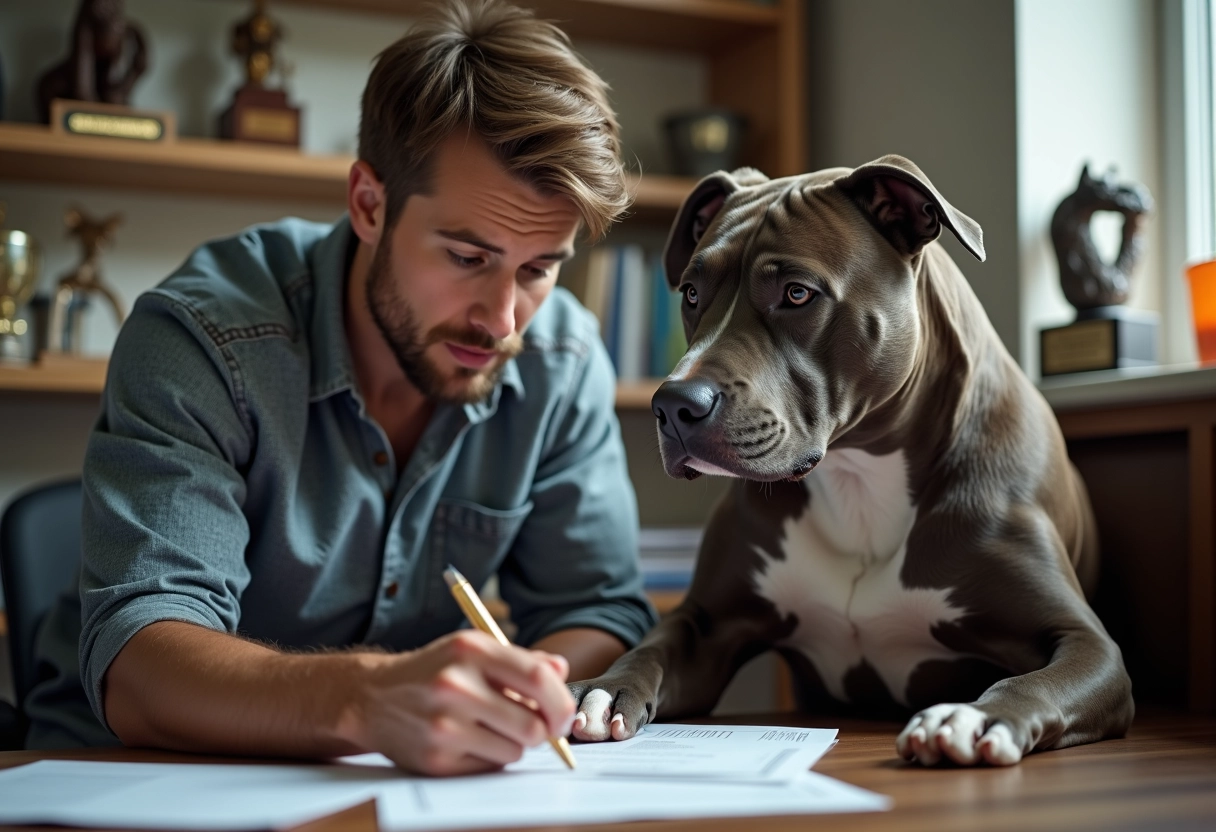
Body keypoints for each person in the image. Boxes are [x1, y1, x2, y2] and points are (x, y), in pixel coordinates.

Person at [23, 0, 657, 776]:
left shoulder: (560, 357)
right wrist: (368, 698)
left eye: (538, 269)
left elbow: (597, 608)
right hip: (128, 775)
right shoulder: (201, 337)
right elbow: (142, 662)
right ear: (368, 204)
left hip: (384, 780)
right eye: (466, 257)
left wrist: (523, 694)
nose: (502, 320)